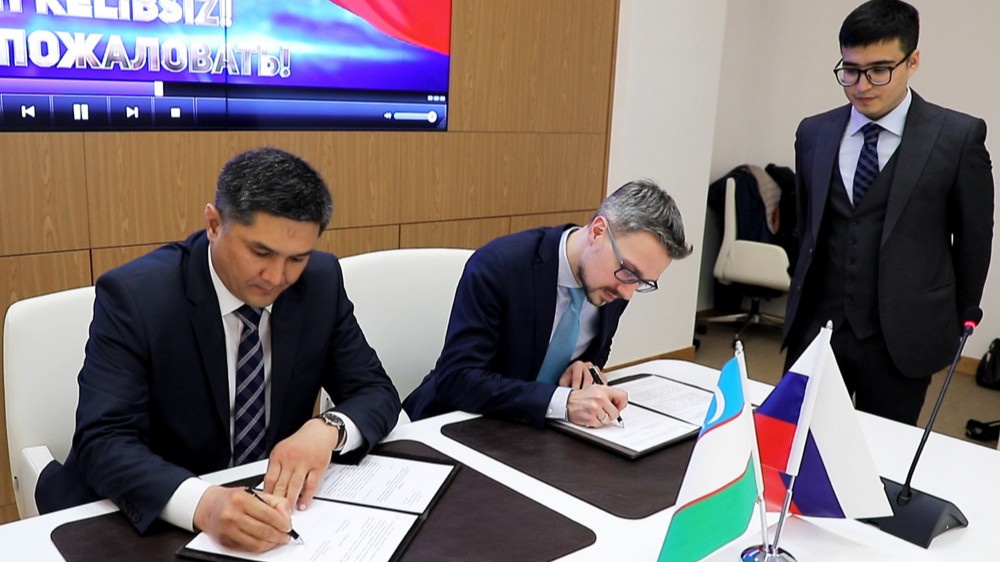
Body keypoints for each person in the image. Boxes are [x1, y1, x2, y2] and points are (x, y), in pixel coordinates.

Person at [36, 147, 401, 552]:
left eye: (297, 258)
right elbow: (104, 441)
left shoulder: (320, 282)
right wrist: (204, 504)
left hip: (270, 510)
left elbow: (376, 391)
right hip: (145, 513)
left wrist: (328, 429)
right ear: (213, 224)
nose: (276, 277)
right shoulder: (137, 297)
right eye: (260, 252)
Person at [782, 0, 993, 425]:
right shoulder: (813, 132)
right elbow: (807, 228)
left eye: (879, 70)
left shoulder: (957, 138)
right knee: (800, 444)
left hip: (903, 340)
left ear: (912, 61)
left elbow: (974, 241)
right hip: (818, 332)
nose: (862, 85)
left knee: (882, 453)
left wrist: (954, 322)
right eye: (850, 70)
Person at [403, 179, 692, 428]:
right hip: (455, 424)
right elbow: (458, 380)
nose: (628, 293)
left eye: (642, 282)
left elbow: (597, 348)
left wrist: (584, 367)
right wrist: (562, 402)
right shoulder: (498, 267)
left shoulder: (613, 284)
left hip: (535, 434)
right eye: (628, 272)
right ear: (597, 232)